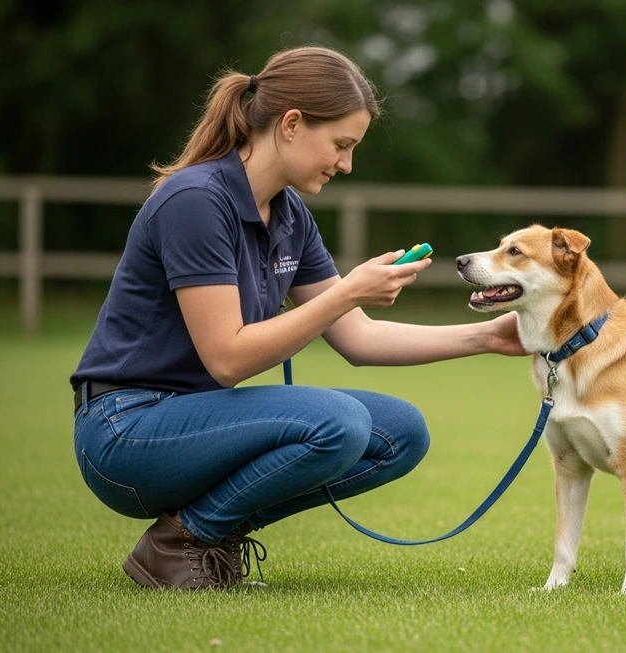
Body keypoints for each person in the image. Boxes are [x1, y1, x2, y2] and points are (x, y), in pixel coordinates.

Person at [70, 44, 526, 590]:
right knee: (340, 423)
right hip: (126, 432)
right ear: (290, 124)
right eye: (340, 145)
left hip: (197, 423)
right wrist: (348, 291)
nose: (346, 164)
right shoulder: (195, 201)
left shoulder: (290, 215)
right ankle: (180, 544)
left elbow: (358, 339)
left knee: (401, 433)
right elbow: (227, 358)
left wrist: (486, 336)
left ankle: (200, 536)